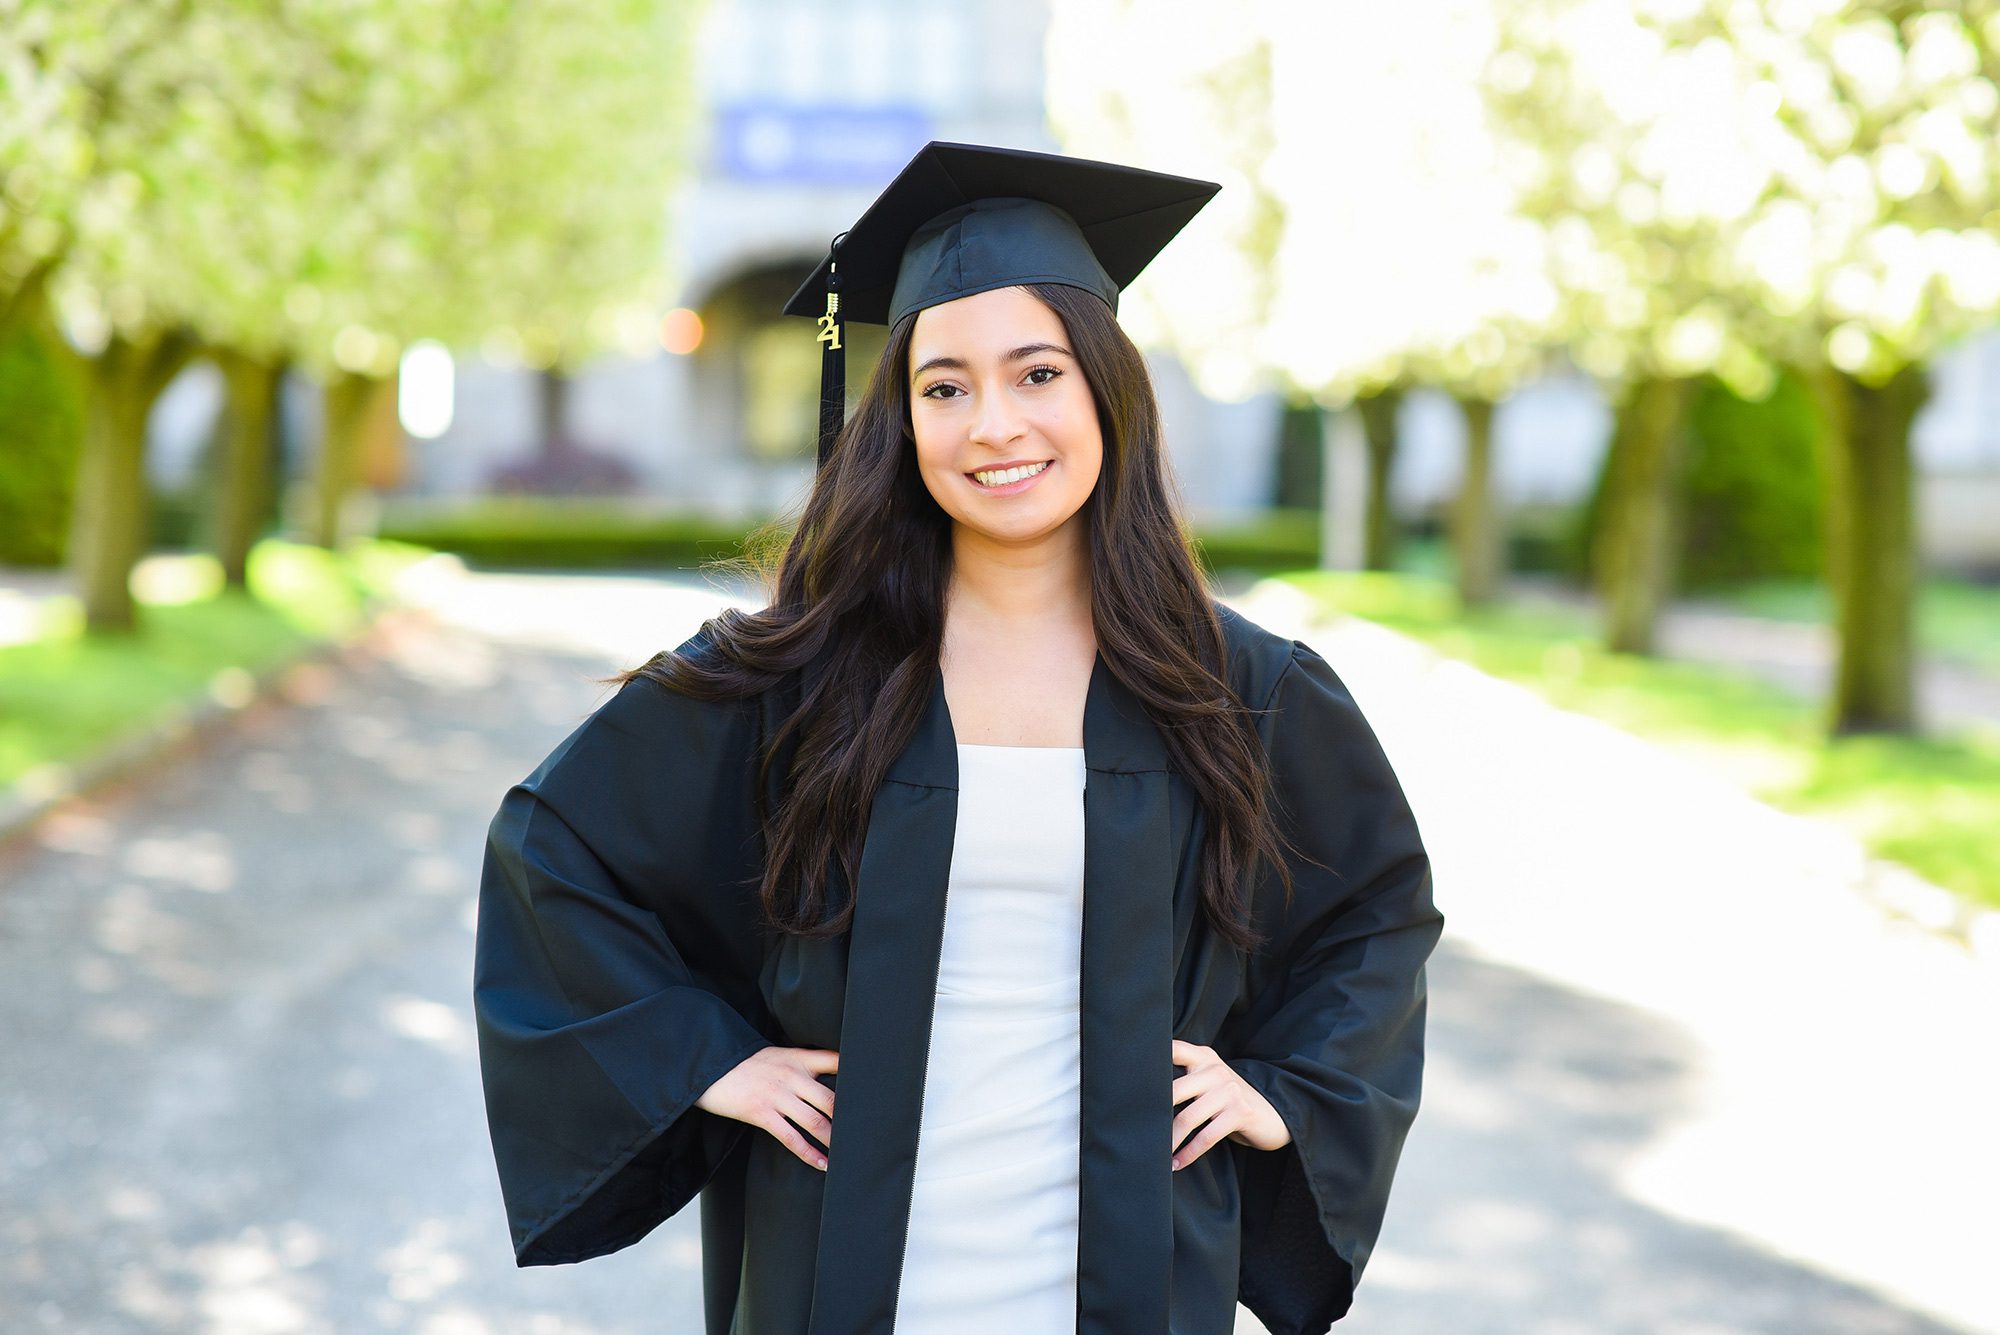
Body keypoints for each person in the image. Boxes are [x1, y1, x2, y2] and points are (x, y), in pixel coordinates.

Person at [472, 140, 1444, 1335]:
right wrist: (704, 1058)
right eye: (943, 388)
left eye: (1036, 373)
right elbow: (553, 853)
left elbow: (1373, 911)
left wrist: (1284, 1093)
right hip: (842, 1274)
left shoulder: (1240, 688)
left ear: (1107, 390)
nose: (992, 425)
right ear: (900, 418)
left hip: (1127, 1276)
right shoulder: (793, 675)